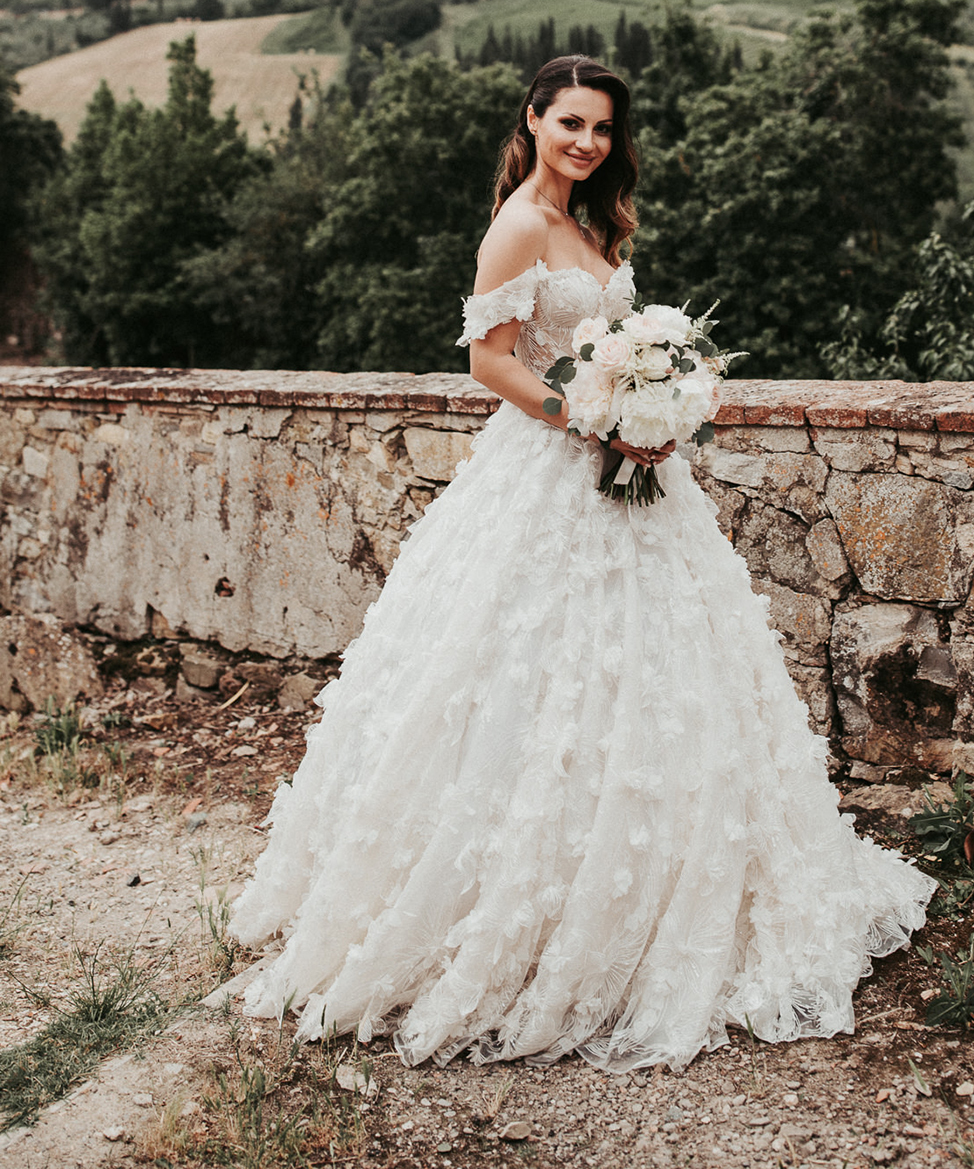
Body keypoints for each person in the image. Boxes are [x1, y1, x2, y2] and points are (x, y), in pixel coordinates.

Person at [232, 54, 934, 1071]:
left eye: (602, 128)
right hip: (546, 474)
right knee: (529, 680)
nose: (587, 142)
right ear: (533, 120)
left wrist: (657, 403)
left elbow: (615, 340)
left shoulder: (599, 227)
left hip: (633, 477)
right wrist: (593, 415)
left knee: (666, 675)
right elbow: (489, 360)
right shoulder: (519, 224)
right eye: (570, 122)